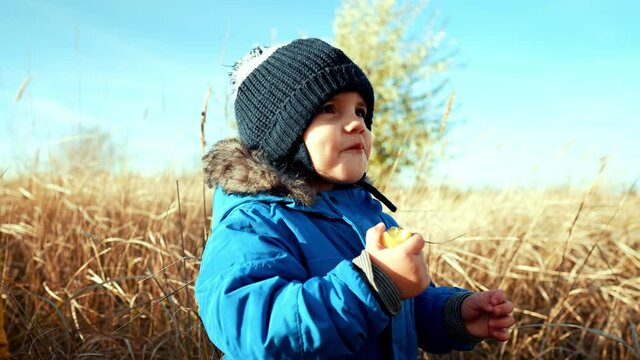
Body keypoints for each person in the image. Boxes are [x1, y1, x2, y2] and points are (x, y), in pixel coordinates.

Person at [195, 38, 514, 359]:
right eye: (329, 109)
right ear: (279, 136)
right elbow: (260, 330)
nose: (357, 123)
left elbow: (403, 307)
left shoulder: (370, 217)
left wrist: (451, 315)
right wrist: (374, 282)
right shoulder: (253, 224)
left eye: (361, 112)